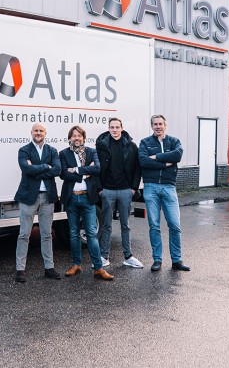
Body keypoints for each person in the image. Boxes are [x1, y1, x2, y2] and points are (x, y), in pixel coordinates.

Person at [59, 125, 114, 280]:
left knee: (91, 233)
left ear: (83, 137)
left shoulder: (91, 152)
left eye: (79, 135)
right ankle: (76, 264)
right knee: (73, 233)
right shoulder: (63, 153)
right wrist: (84, 173)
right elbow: (63, 174)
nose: (77, 138)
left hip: (87, 198)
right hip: (71, 198)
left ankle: (98, 268)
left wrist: (75, 170)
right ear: (69, 138)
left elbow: (97, 169)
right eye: (74, 136)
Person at [138, 115, 190, 272]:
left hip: (168, 187)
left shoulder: (174, 141)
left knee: (174, 224)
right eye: (155, 124)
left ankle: (176, 260)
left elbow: (177, 156)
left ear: (165, 125)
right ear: (151, 126)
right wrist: (165, 164)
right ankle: (157, 260)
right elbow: (143, 162)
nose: (158, 126)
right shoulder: (145, 142)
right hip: (150, 187)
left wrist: (157, 157)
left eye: (160, 124)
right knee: (154, 225)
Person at [14, 123, 62, 283]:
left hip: (47, 197)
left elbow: (57, 170)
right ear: (31, 132)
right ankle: (20, 270)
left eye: (41, 131)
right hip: (29, 197)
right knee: (24, 234)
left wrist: (35, 168)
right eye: (36, 131)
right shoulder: (24, 150)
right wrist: (44, 167)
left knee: (47, 234)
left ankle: (49, 268)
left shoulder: (52, 150)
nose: (38, 133)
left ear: (45, 133)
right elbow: (25, 169)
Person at [95, 118, 143, 269]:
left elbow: (137, 168)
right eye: (111, 127)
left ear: (122, 128)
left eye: (117, 127)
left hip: (125, 191)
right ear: (108, 129)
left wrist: (133, 188)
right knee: (106, 226)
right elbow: (96, 168)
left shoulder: (131, 146)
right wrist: (100, 189)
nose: (114, 130)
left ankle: (128, 256)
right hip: (107, 190)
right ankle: (104, 257)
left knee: (125, 224)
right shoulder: (101, 146)